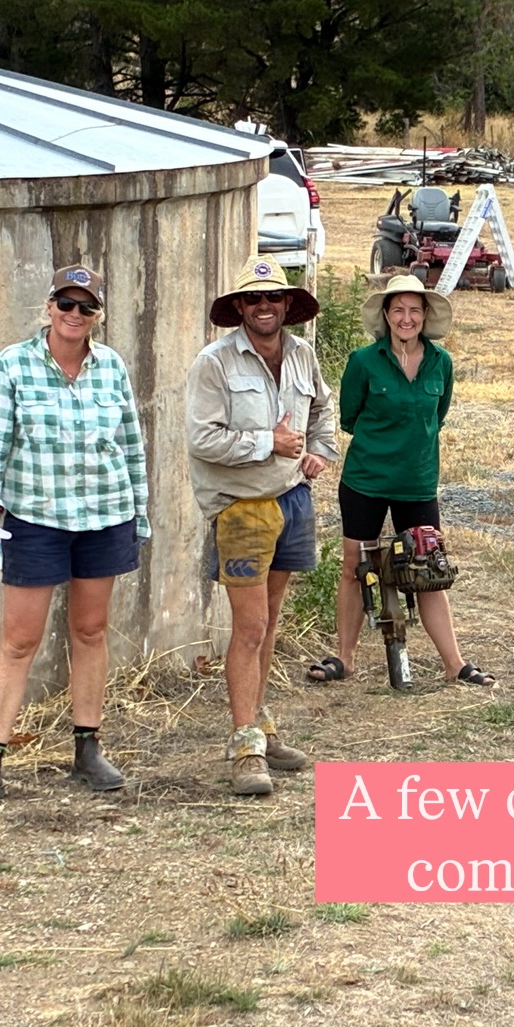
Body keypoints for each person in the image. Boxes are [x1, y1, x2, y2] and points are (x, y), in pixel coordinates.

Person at [0, 264, 149, 810]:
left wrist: (139, 512)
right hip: (36, 519)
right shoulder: (13, 365)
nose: (74, 315)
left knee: (90, 630)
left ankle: (87, 748)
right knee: (19, 639)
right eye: (65, 304)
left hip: (103, 515)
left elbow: (131, 447)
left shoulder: (111, 367)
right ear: (48, 308)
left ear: (98, 316)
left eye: (85, 307)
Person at [187, 254, 338, 795]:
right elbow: (201, 440)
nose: (264, 307)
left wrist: (319, 451)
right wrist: (265, 442)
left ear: (288, 306)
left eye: (273, 298)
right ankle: (245, 746)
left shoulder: (301, 354)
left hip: (292, 497)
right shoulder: (215, 362)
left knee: (270, 622)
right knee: (249, 627)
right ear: (240, 308)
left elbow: (322, 410)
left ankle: (261, 725)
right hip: (242, 506)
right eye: (253, 299)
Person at [306, 273, 495, 689]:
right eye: (398, 310)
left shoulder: (441, 363)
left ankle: (454, 664)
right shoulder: (363, 361)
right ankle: (346, 657)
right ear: (386, 316)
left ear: (425, 316)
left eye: (414, 310)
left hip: (418, 481)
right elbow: (350, 417)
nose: (406, 318)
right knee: (355, 565)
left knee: (428, 567)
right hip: (365, 479)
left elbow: (437, 415)